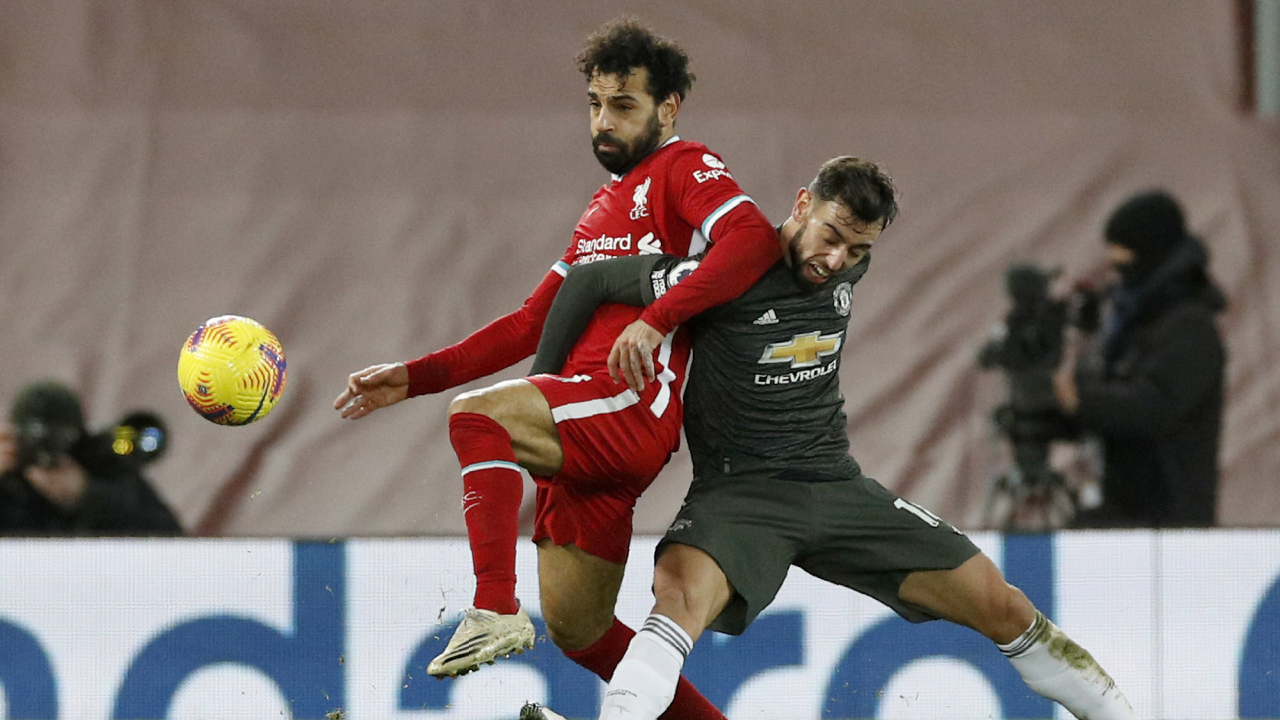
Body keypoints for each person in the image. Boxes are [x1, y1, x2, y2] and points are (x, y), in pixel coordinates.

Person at [531, 157, 1139, 720]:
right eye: (830, 236)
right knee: (678, 604)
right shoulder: (731, 268)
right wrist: (544, 392)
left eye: (858, 248)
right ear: (801, 205)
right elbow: (588, 282)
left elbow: (845, 246)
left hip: (834, 484)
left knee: (1006, 607)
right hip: (742, 497)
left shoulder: (849, 259)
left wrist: (844, 245)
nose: (837, 259)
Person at [332, 18, 779, 716]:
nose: (603, 121)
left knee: (479, 417)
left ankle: (494, 608)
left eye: (623, 105)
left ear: (668, 109)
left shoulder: (683, 167)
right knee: (583, 631)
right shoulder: (601, 209)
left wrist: (655, 317)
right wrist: (413, 377)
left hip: (625, 406)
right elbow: (529, 321)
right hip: (583, 425)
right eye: (596, 104)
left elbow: (750, 240)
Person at [1054, 189, 1226, 527]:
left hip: (1169, 526)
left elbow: (1156, 407)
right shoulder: (1130, 322)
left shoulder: (1189, 327)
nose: (1113, 266)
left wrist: (1080, 399)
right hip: (1123, 515)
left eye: (1123, 256)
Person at [0, 381, 183, 536]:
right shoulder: (9, 476)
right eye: (30, 436)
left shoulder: (101, 464)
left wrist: (88, 497)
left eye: (61, 436)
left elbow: (170, 536)